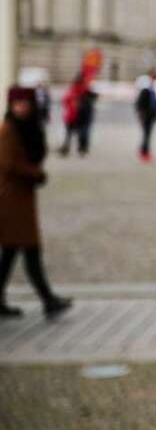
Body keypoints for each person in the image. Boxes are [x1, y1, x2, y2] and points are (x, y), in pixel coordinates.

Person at [0, 86, 72, 318]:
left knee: (11, 254)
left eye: (25, 103)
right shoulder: (7, 130)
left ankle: (45, 299)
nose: (21, 107)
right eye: (17, 103)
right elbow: (10, 165)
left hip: (20, 200)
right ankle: (48, 299)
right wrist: (36, 175)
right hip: (11, 202)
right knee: (30, 250)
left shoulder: (24, 129)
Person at [135, 69, 156, 163]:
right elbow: (140, 103)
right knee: (146, 134)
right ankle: (144, 152)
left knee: (148, 134)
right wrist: (141, 114)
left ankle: (144, 151)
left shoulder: (153, 87)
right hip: (147, 116)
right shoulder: (146, 88)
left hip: (151, 115)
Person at [57, 74, 85, 157]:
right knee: (78, 133)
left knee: (69, 133)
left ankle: (67, 149)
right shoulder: (82, 91)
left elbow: (64, 100)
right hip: (77, 116)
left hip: (71, 116)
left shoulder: (73, 90)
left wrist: (70, 105)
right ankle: (80, 149)